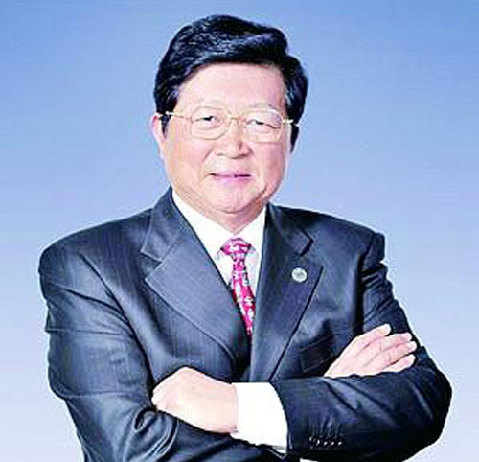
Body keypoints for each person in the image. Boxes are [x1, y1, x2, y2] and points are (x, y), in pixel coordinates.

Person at [38, 14, 451, 462]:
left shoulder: (347, 252)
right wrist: (313, 407)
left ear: (291, 138)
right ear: (161, 132)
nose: (234, 145)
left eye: (260, 122)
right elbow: (132, 450)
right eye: (208, 118)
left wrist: (237, 407)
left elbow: (419, 403)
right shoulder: (90, 265)